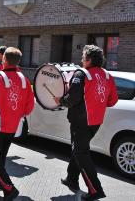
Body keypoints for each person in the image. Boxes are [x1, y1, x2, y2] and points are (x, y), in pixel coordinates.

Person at [53, 45, 118, 200]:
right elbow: (112, 100)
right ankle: (71, 178)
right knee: (79, 149)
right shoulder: (107, 75)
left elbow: (72, 99)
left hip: (80, 122)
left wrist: (60, 100)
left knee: (80, 152)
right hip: (95, 122)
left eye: (83, 57)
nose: (81, 60)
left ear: (89, 59)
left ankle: (96, 190)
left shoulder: (81, 74)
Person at [0, 47, 34, 200]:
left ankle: (9, 189)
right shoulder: (25, 79)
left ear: (4, 59)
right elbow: (30, 105)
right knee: (0, 158)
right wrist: (16, 114)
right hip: (12, 127)